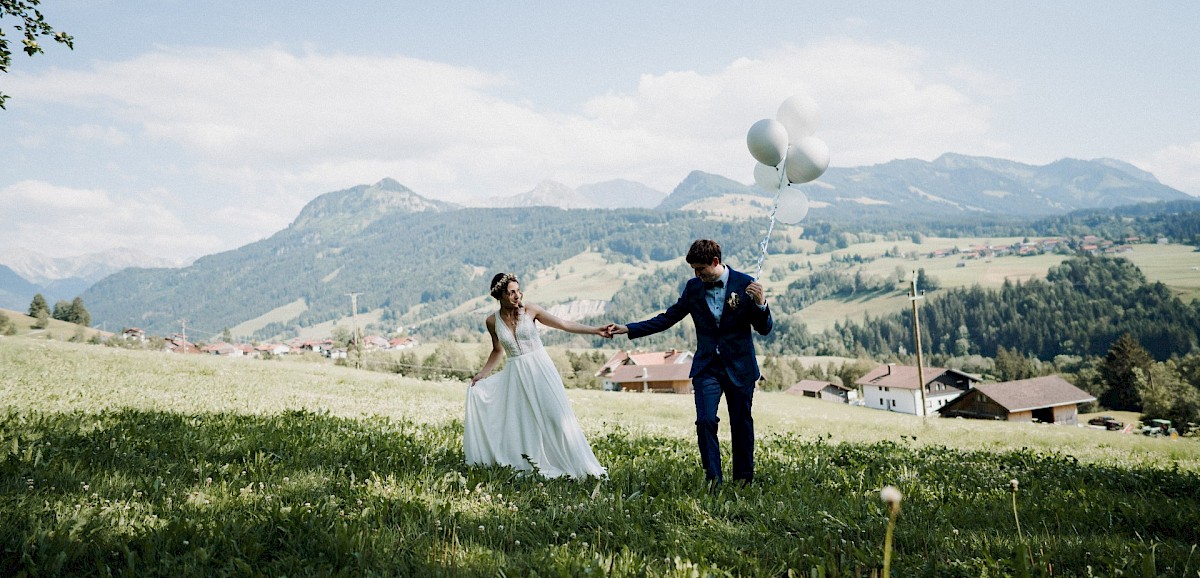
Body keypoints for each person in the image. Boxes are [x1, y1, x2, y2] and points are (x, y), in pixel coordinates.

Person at [606, 239, 772, 487]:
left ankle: (743, 481)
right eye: (693, 269)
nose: (697, 274)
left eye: (700, 269)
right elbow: (667, 318)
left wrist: (761, 304)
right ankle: (713, 480)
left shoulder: (745, 284)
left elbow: (764, 329)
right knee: (705, 420)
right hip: (707, 368)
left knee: (741, 423)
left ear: (715, 262)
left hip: (741, 367)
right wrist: (628, 328)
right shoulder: (693, 288)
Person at [464, 272, 608, 479]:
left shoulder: (531, 310)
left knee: (557, 416)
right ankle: (532, 461)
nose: (517, 296)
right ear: (500, 295)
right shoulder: (491, 322)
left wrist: (596, 330)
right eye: (511, 292)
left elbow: (564, 324)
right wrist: (482, 374)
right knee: (523, 422)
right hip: (516, 375)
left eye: (518, 290)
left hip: (540, 368)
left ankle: (577, 463)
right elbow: (497, 351)